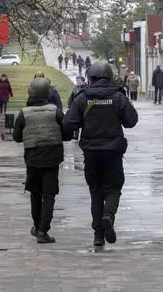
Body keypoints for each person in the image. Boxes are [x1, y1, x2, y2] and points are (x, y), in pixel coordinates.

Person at [63, 62, 138, 246]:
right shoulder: (118, 97)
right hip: (113, 151)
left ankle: (98, 235)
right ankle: (109, 216)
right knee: (113, 187)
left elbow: (68, 123)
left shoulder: (82, 97)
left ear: (91, 77)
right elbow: (131, 121)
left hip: (91, 152)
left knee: (95, 191)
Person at [13, 78, 72, 244]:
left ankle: (37, 226)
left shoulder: (24, 113)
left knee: (35, 194)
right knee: (49, 196)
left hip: (32, 160)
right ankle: (43, 231)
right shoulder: (55, 111)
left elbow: (17, 137)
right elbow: (67, 135)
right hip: (52, 159)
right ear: (47, 93)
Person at [67, 75, 86, 140]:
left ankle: (84, 135)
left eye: (80, 80)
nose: (78, 81)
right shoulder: (75, 88)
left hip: (84, 107)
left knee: (84, 122)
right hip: (76, 107)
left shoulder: (86, 88)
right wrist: (69, 105)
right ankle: (76, 135)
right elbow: (71, 97)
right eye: (77, 80)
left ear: (83, 81)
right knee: (76, 120)